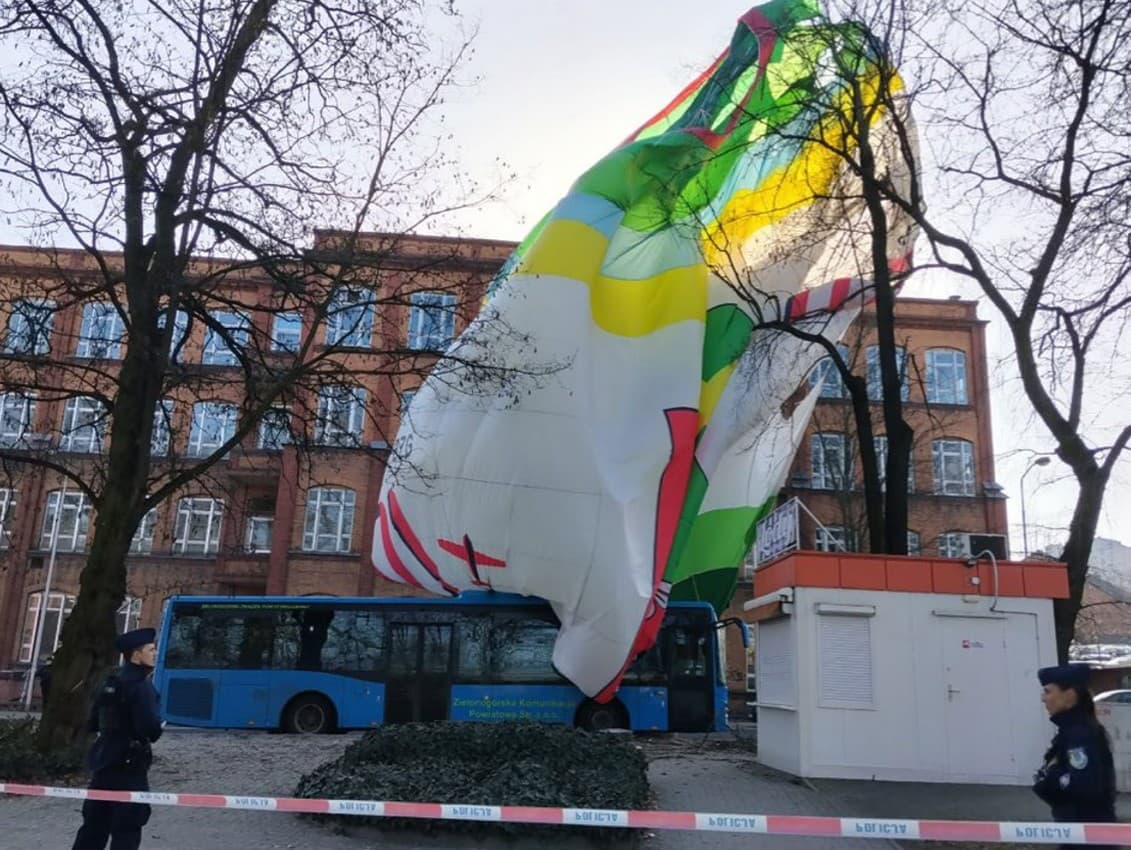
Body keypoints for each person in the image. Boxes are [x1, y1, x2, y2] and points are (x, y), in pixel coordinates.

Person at [72, 628, 164, 850]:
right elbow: (150, 729)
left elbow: (93, 722)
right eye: (151, 649)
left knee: (94, 826)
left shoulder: (110, 681)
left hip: (104, 762)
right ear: (136, 654)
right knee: (127, 828)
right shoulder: (141, 687)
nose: (156, 653)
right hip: (130, 767)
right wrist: (157, 728)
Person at [1032, 663, 1117, 849]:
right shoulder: (1070, 732)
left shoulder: (1080, 735)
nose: (1043, 699)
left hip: (1089, 839)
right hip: (1077, 834)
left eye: (1048, 692)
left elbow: (1085, 785)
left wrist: (1050, 778)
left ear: (1070, 696)